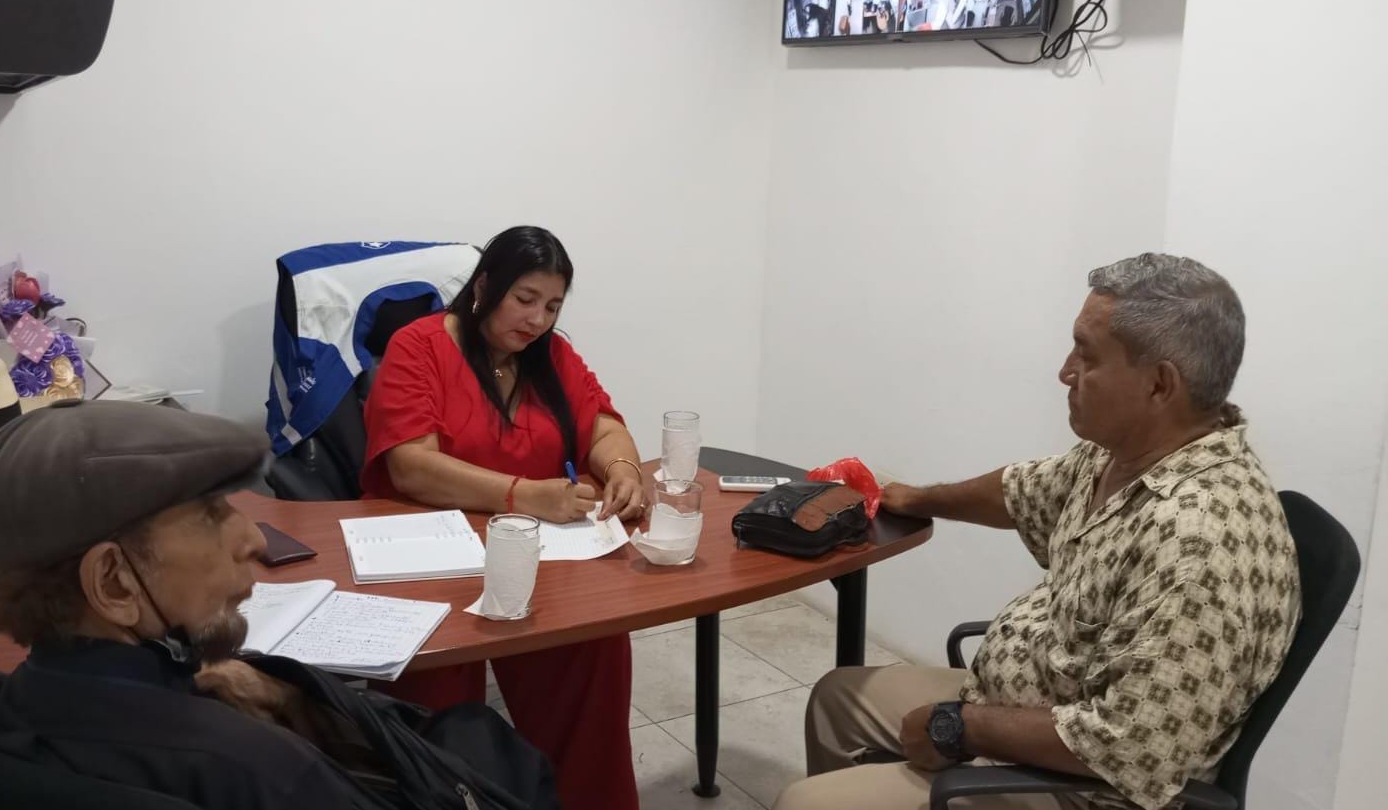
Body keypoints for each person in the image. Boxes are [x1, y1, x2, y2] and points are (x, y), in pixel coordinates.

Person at [775, 254, 1301, 810]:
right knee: (838, 700)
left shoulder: (1198, 542)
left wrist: (961, 728)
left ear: (1158, 385)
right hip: (1026, 702)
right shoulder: (1126, 455)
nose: (1066, 371)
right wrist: (911, 496)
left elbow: (1123, 745)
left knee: (805, 803)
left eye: (1086, 355)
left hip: (1087, 788)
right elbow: (1021, 491)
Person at [0, 399, 557, 810]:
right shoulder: (262, 772)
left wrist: (275, 693)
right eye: (210, 514)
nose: (253, 540)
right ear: (114, 584)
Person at [362, 226, 644, 810]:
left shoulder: (552, 356)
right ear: (484, 285)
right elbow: (410, 466)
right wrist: (523, 495)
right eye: (524, 299)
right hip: (434, 559)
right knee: (439, 704)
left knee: (595, 645)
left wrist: (623, 469)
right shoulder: (419, 346)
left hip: (541, 555)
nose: (537, 320)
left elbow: (603, 426)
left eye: (553, 306)